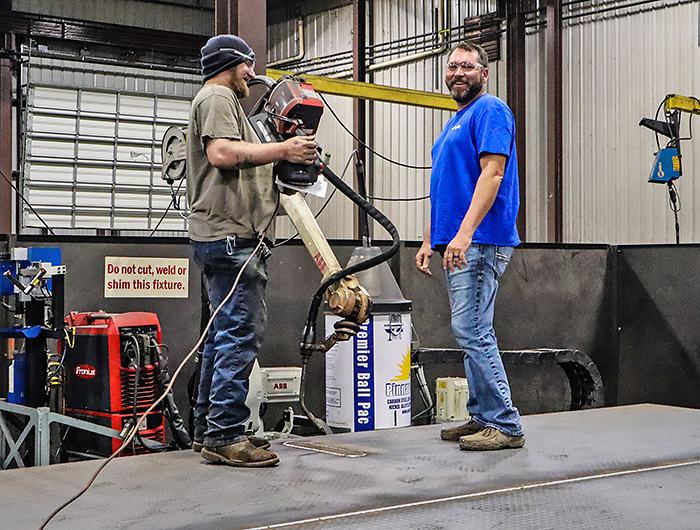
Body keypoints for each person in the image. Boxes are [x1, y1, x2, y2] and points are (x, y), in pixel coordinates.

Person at [187, 34, 317, 467]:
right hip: (231, 239)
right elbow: (222, 153)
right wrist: (283, 148)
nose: (253, 73)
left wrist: (284, 154)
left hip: (225, 237)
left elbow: (240, 156)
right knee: (240, 335)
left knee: (222, 335)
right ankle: (225, 434)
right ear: (233, 64)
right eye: (249, 65)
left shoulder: (225, 103)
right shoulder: (218, 97)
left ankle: (210, 430)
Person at [415, 42, 525, 451]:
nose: (458, 72)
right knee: (469, 332)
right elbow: (445, 189)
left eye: (467, 66)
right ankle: (482, 417)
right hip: (459, 242)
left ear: (484, 72)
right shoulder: (454, 124)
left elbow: (493, 175)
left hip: (480, 240)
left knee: (473, 329)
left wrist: (463, 235)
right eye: (452, 66)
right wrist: (431, 239)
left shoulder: (491, 110)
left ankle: (506, 424)